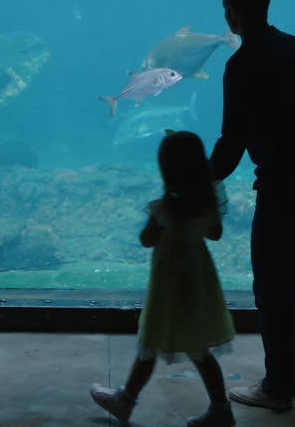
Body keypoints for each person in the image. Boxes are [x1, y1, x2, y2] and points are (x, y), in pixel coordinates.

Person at [208, 0, 295, 412]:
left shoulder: (242, 64)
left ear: (232, 12)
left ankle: (278, 386)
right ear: (266, 4)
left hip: (283, 186)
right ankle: (294, 374)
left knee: (272, 285)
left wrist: (197, 178)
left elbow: (231, 144)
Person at [90, 130, 237, 427]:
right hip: (199, 282)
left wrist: (158, 226)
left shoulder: (164, 207)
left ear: (166, 168)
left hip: (169, 286)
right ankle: (221, 409)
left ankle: (125, 402)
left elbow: (146, 240)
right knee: (200, 350)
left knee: (149, 343)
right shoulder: (206, 205)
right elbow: (215, 234)